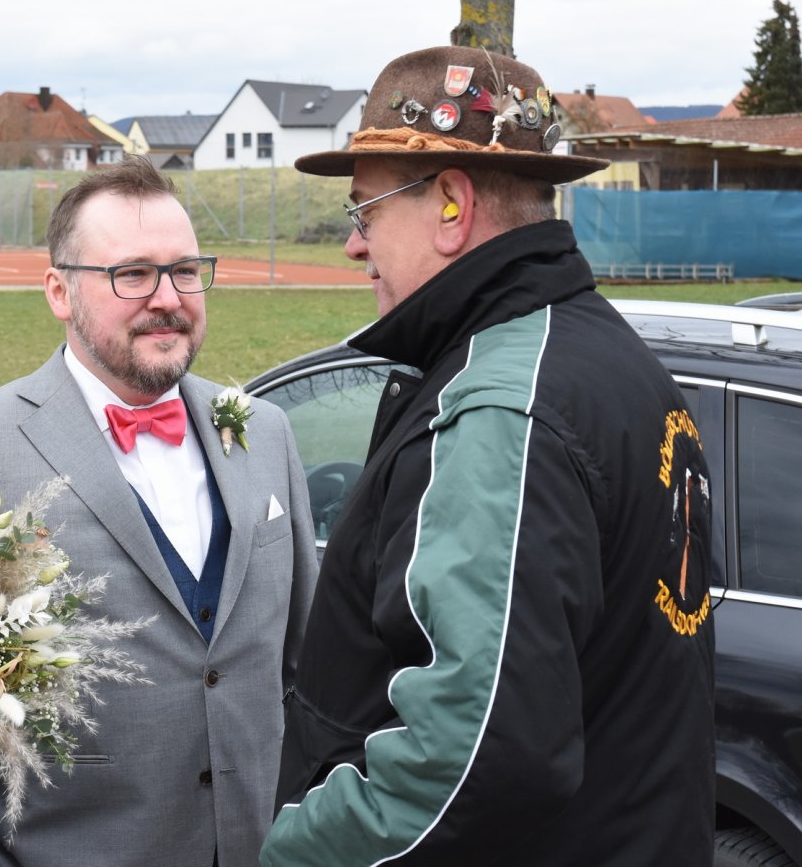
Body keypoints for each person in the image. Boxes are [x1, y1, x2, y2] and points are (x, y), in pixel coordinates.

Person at [262, 46, 715, 866]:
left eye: (365, 211)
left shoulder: (501, 401)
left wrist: (297, 851)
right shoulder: (610, 355)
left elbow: (473, 757)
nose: (353, 246)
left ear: (450, 204)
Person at [0, 155, 318, 867]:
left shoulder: (265, 432)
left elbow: (303, 670)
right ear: (59, 293)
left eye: (185, 270)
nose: (168, 297)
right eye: (132, 274)